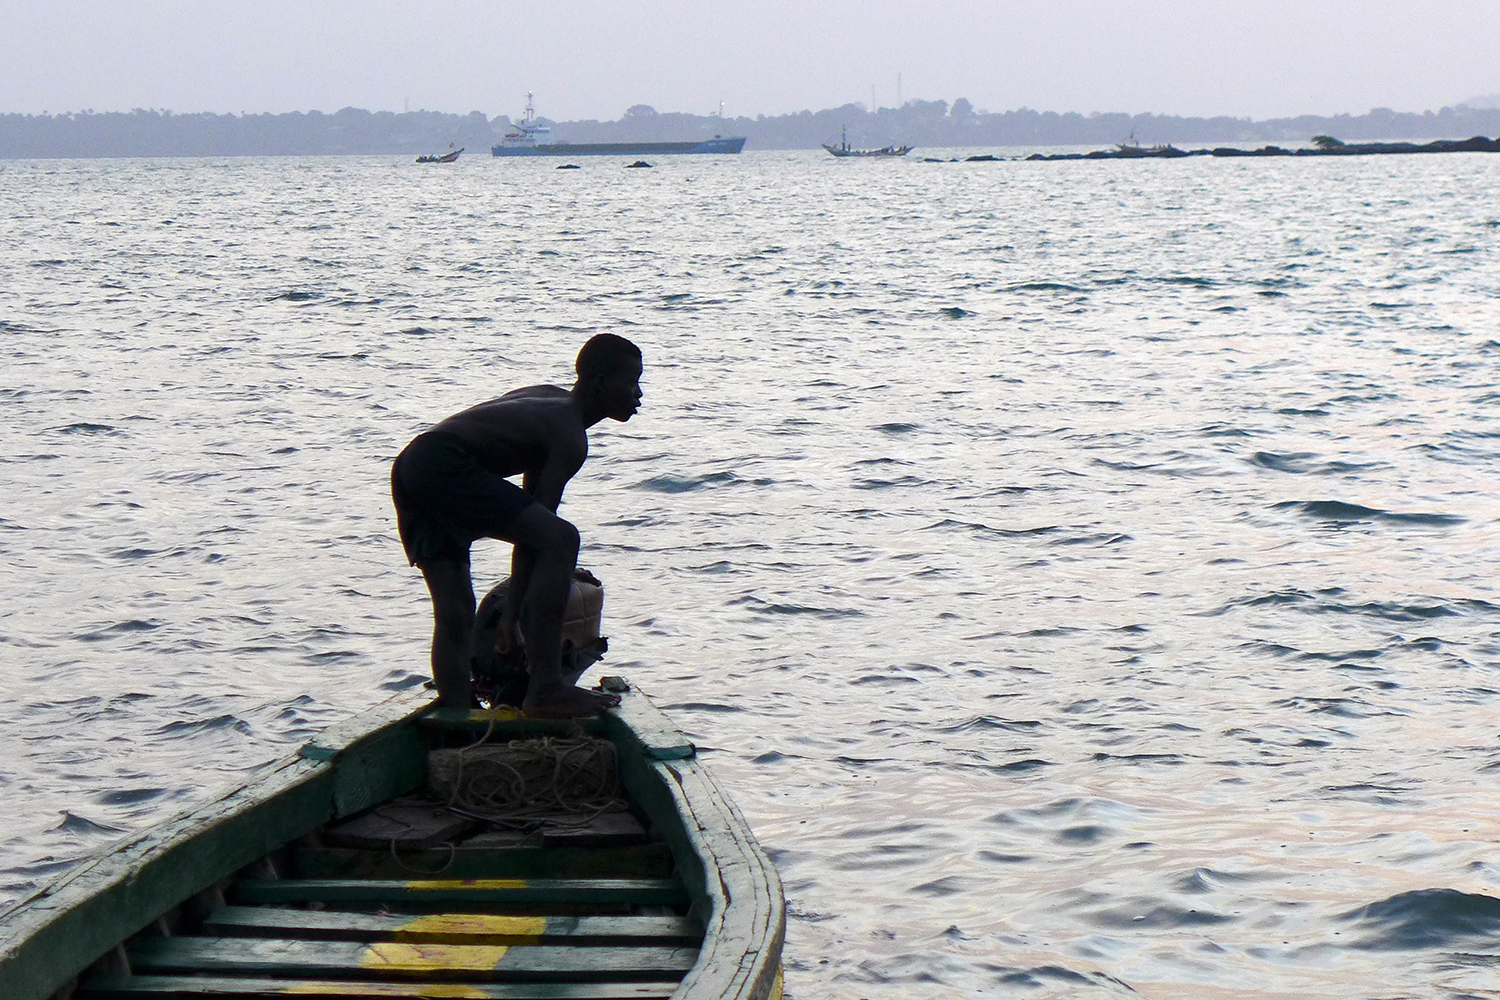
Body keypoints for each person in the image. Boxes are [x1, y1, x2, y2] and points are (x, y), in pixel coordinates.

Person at [390, 334, 643, 716]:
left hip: (413, 464)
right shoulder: (570, 435)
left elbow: (530, 533)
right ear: (601, 384)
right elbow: (544, 541)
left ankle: (457, 710)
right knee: (563, 538)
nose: (639, 394)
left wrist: (511, 618)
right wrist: (512, 617)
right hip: (445, 462)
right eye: (632, 382)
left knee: (457, 608)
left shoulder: (548, 403)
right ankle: (545, 690)